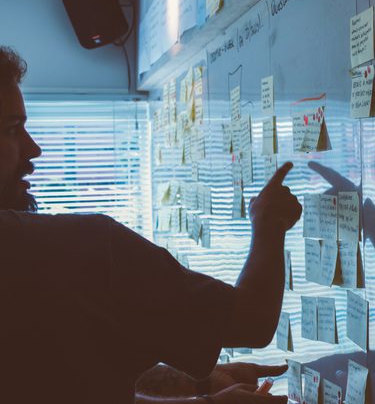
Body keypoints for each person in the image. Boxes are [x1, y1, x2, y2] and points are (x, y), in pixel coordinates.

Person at [0, 45, 302, 404]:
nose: (33, 149)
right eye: (12, 129)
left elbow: (61, 374)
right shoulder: (84, 248)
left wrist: (200, 386)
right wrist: (268, 224)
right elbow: (251, 320)